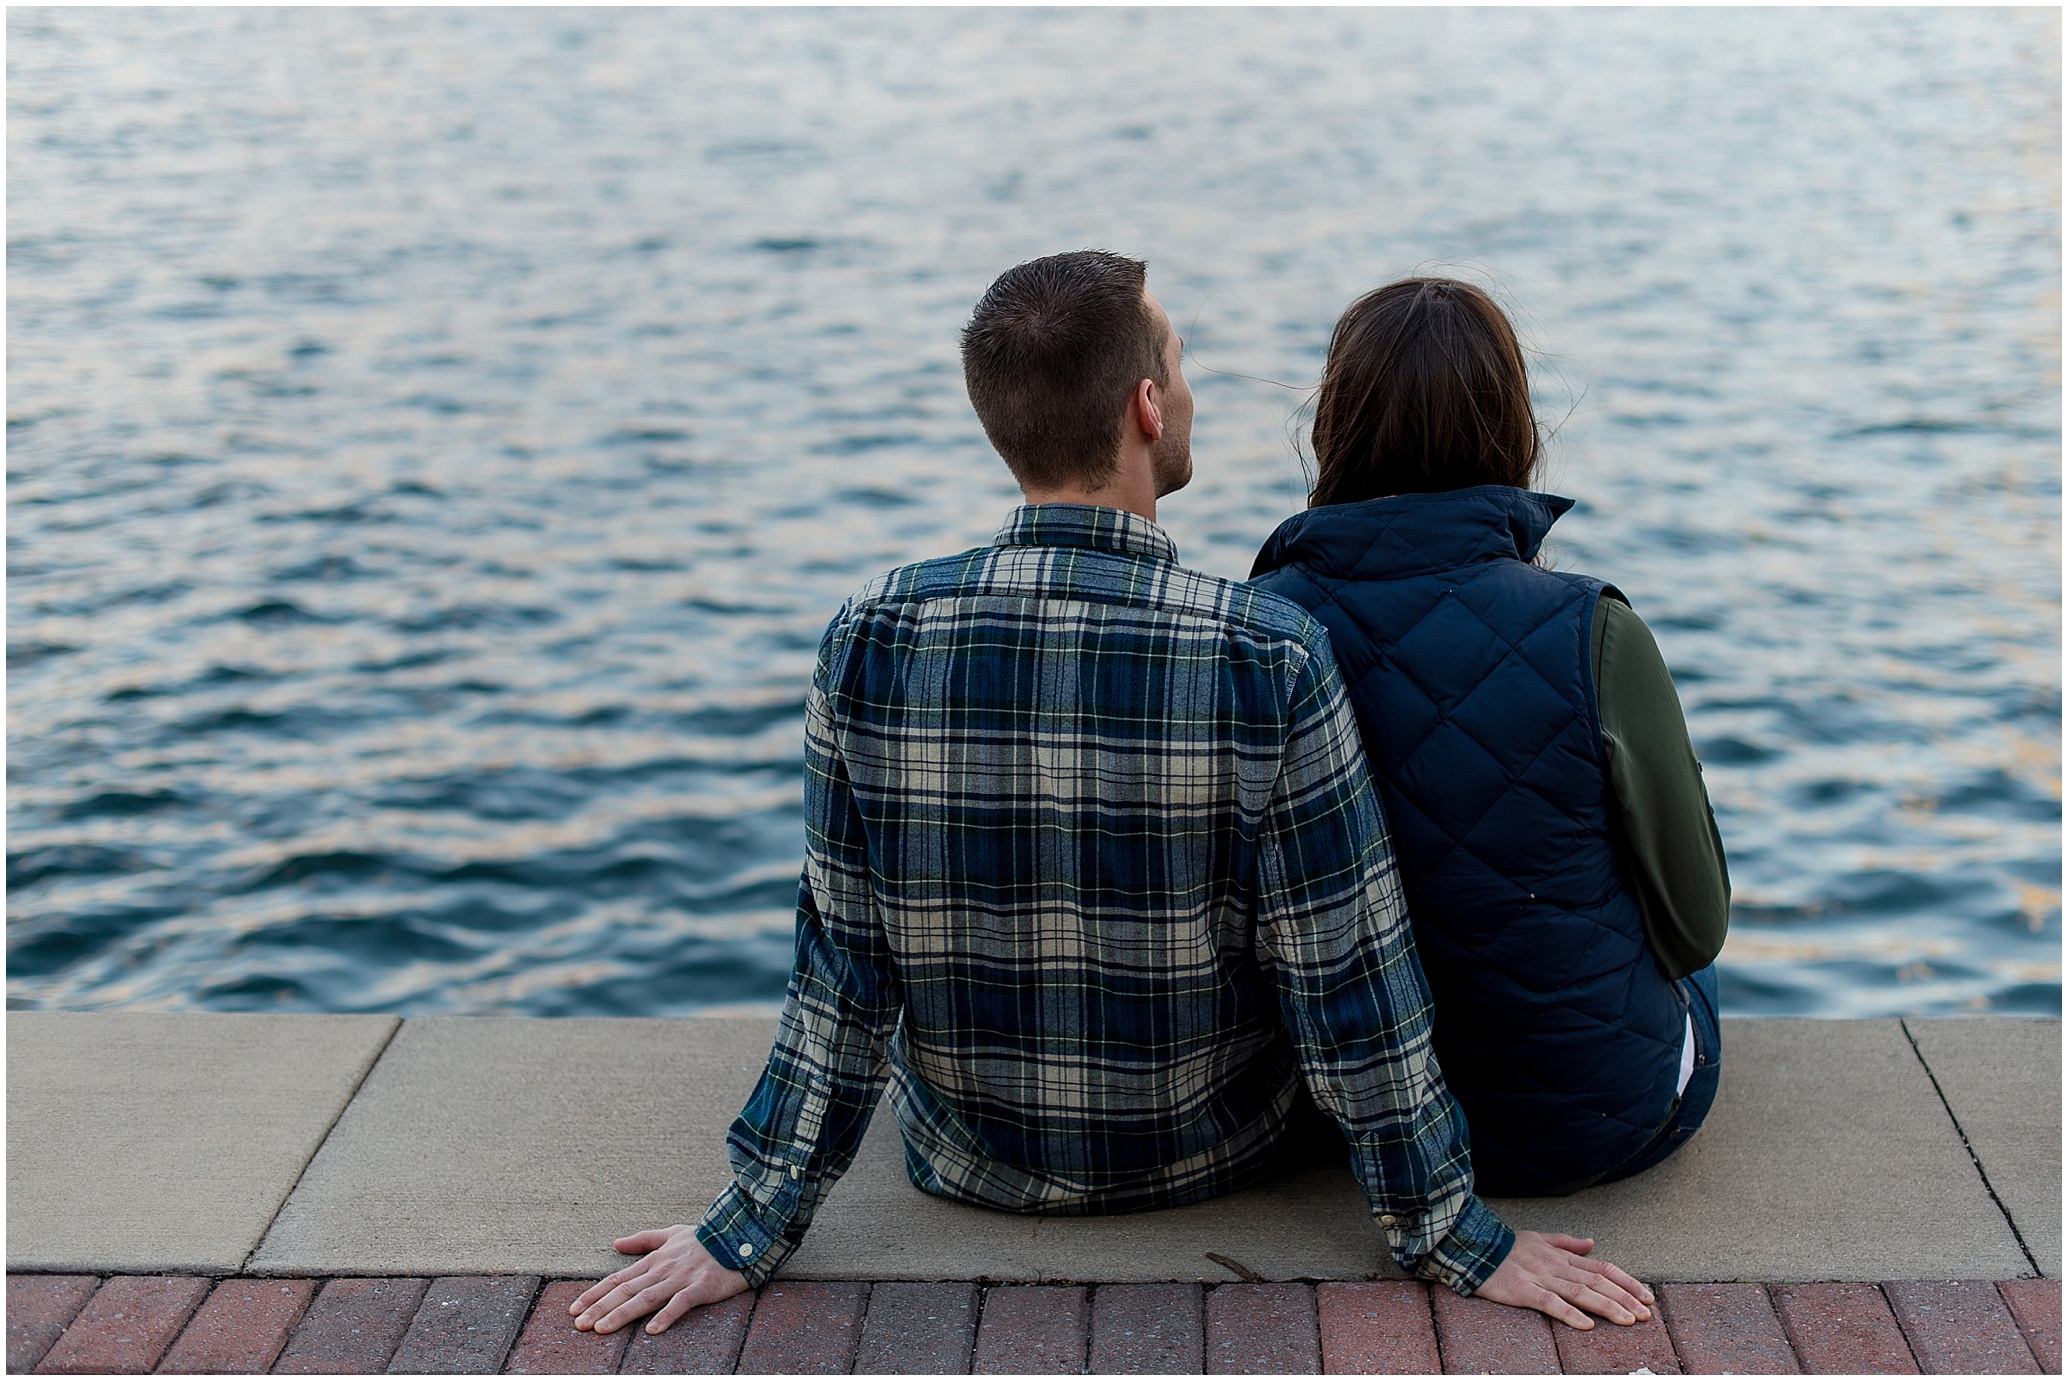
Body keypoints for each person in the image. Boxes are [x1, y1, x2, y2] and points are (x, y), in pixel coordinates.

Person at [572, 252, 1654, 1338]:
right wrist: (1453, 1233)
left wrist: (748, 1226)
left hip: (967, 1163)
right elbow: (1348, 984)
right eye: (1176, 366)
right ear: (1146, 407)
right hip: (1213, 1156)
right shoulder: (1263, 654)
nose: (1187, 391)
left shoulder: (870, 634)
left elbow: (842, 970)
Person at [1248, 277, 1730, 1198]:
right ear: (1517, 429)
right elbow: (1698, 923)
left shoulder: (1258, 628)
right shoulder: (1593, 627)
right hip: (1593, 1122)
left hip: (1343, 1126)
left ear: (1330, 431)